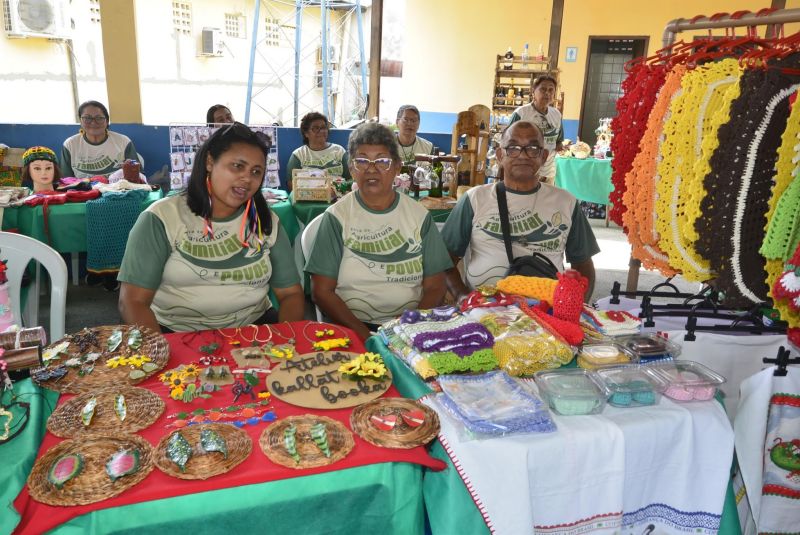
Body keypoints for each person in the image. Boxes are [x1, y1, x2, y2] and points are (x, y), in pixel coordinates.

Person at [118, 122, 304, 333]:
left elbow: (290, 294)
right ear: (209, 162)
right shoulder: (161, 218)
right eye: (237, 166)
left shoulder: (264, 220)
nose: (247, 178)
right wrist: (160, 348)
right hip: (176, 332)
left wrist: (284, 340)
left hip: (253, 329)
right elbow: (132, 302)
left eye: (256, 171)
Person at [305, 122, 452, 340]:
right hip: (353, 327)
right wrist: (367, 337)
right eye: (362, 161)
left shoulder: (419, 215)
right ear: (352, 168)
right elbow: (322, 292)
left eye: (382, 161)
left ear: (397, 167)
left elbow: (436, 285)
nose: (371, 169)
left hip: (410, 327)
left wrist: (408, 329)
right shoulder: (336, 217)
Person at [441, 121, 599, 302]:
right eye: (513, 148)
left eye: (532, 148)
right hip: (485, 308)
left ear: (544, 156)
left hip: (546, 309)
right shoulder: (475, 199)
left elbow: (583, 265)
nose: (523, 155)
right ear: (500, 155)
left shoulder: (566, 202)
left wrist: (576, 305)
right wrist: (462, 297)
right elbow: (445, 259)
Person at [60, 100, 139, 179]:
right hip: (82, 187)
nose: (93, 123)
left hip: (119, 187)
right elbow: (66, 180)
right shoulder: (70, 144)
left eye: (99, 118)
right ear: (80, 121)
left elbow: (138, 175)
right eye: (87, 118)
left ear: (107, 121)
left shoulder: (123, 142)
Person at [508, 75, 563, 183]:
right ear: (533, 91)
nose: (547, 93)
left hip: (548, 173)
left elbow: (558, 141)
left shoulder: (556, 114)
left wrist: (559, 146)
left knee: (547, 194)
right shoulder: (521, 113)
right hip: (525, 172)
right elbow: (507, 142)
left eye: (551, 90)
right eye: (543, 89)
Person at [285, 112, 350, 184]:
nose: (321, 131)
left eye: (324, 127)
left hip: (338, 191)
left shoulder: (339, 151)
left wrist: (337, 189)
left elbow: (351, 179)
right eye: (316, 128)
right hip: (307, 191)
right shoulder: (298, 155)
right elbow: (292, 184)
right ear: (306, 133)